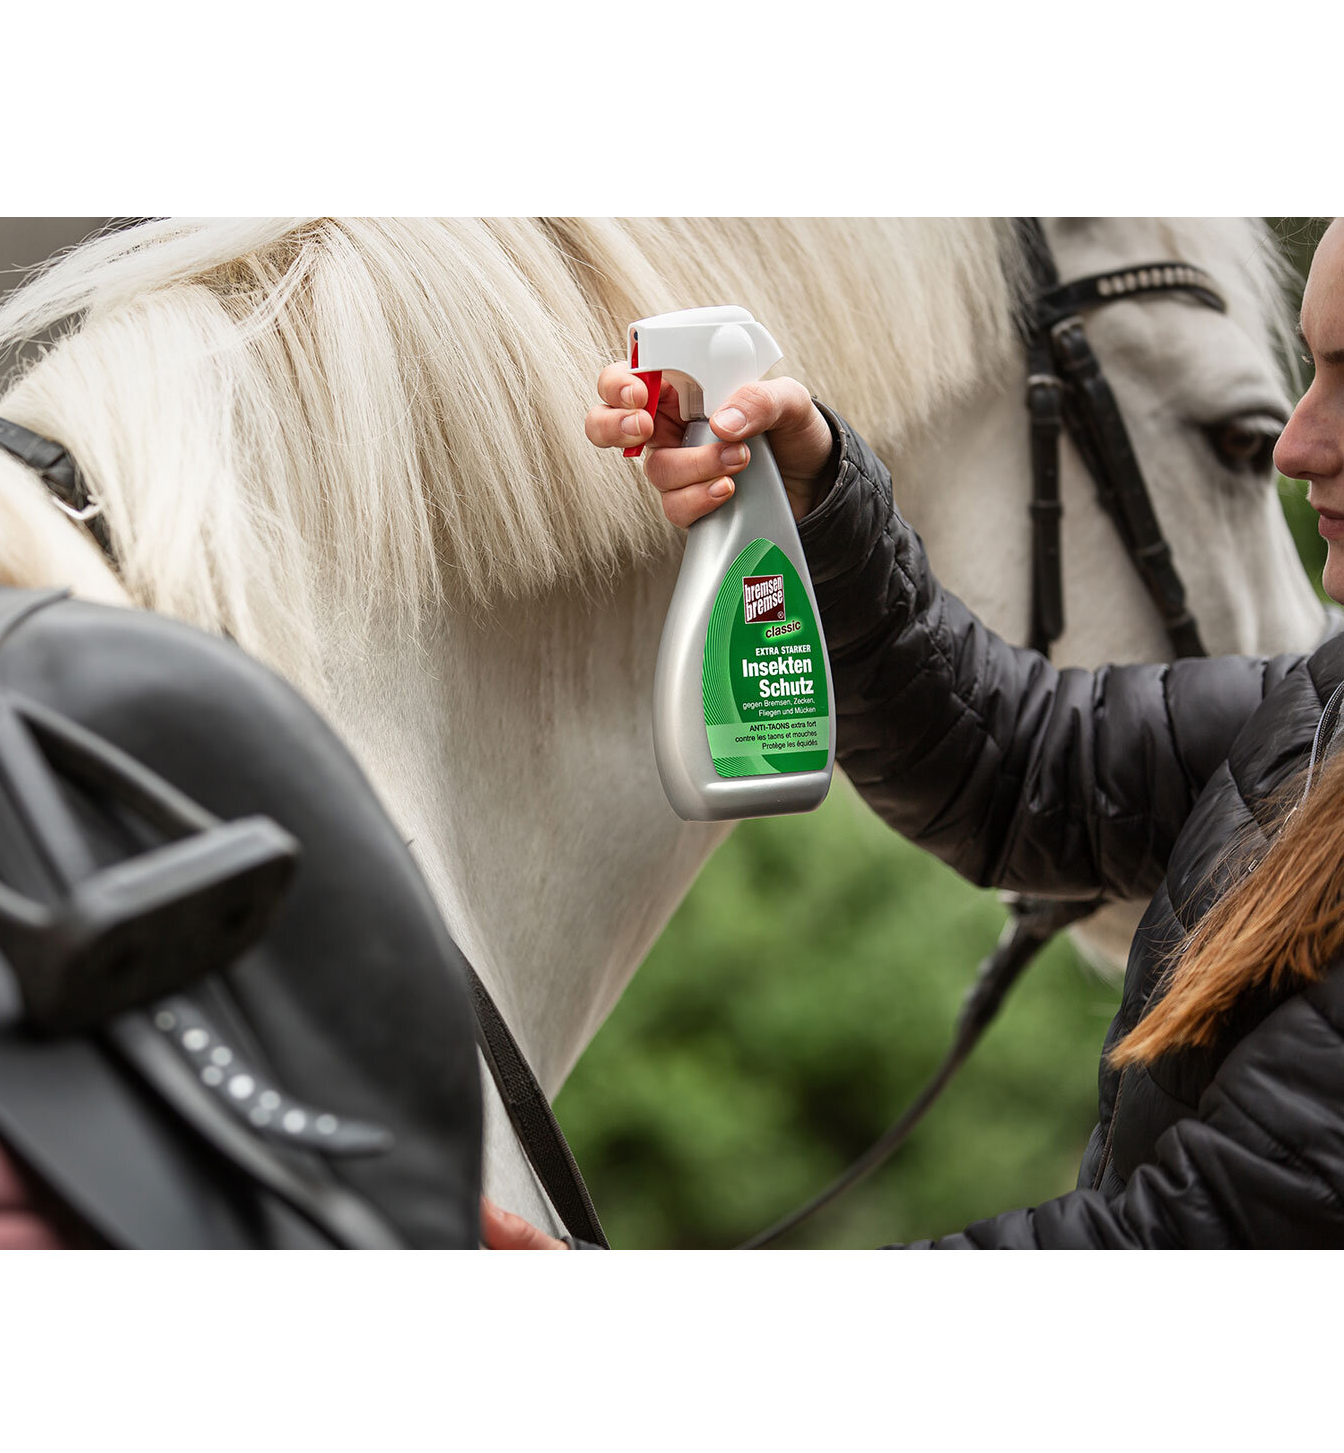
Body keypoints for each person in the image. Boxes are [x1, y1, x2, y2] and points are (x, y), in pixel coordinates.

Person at [485, 218, 1344, 1249]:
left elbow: (1178, 1244)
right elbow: (1024, 765)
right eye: (1312, 373)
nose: (1298, 444)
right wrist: (819, 499)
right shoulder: (1323, 702)